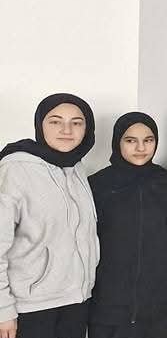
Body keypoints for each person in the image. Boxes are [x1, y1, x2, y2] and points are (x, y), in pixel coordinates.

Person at [0, 94, 100, 338]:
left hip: (76, 301)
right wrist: (3, 310)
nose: (67, 130)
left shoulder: (76, 167)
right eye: (55, 121)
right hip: (30, 307)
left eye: (77, 122)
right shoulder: (14, 169)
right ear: (40, 125)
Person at [89, 113, 167, 338]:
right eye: (131, 140)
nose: (141, 148)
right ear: (117, 141)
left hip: (157, 303)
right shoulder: (97, 185)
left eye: (148, 140)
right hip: (107, 302)